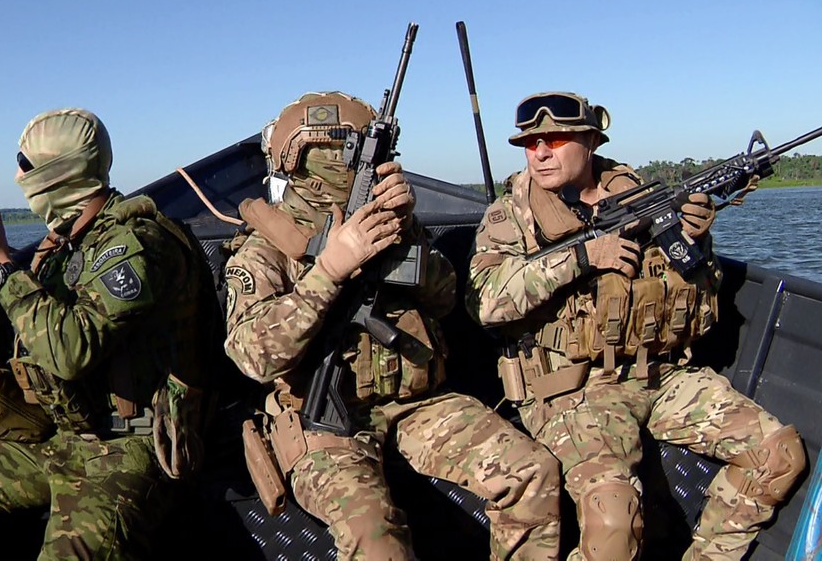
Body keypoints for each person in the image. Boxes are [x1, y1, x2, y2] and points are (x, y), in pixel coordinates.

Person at [465, 91, 807, 560]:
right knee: (612, 517)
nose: (541, 152)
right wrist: (583, 257)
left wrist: (697, 242)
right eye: (531, 143)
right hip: (571, 389)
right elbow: (488, 303)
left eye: (557, 138)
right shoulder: (509, 217)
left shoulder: (640, 196)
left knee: (779, 455)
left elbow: (700, 296)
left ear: (591, 141)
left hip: (662, 374)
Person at [224, 91, 562, 560]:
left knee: (533, 470)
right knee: (375, 537)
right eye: (343, 152)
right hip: (326, 421)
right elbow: (253, 357)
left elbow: (446, 301)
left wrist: (404, 233)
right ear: (299, 159)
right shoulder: (265, 250)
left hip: (418, 404)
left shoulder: (393, 226)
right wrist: (330, 270)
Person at [0, 108, 218, 559]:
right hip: (65, 437)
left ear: (58, 175)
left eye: (27, 165)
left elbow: (71, 352)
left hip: (132, 449)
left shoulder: (135, 246)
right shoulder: (65, 245)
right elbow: (39, 329)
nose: (19, 177)